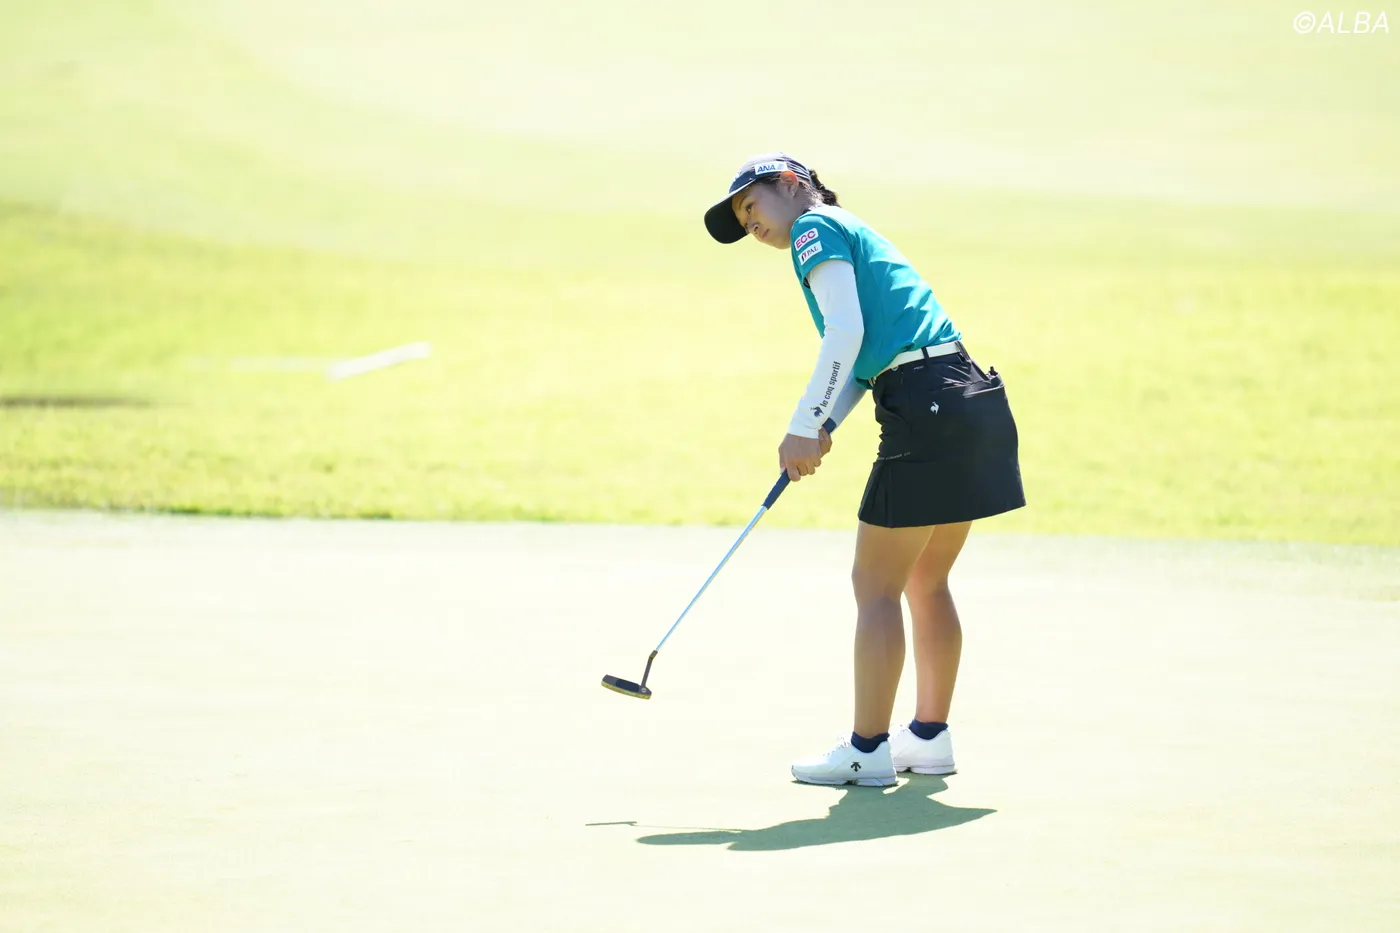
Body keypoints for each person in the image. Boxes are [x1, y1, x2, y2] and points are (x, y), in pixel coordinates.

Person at [703, 153, 1026, 787]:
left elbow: (843, 332)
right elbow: (865, 360)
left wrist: (803, 423)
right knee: (927, 579)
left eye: (751, 205)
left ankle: (867, 749)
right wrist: (824, 422)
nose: (750, 225)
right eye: (741, 220)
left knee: (875, 585)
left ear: (791, 184)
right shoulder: (847, 230)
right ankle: (928, 739)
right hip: (965, 395)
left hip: (924, 405)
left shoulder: (813, 227)